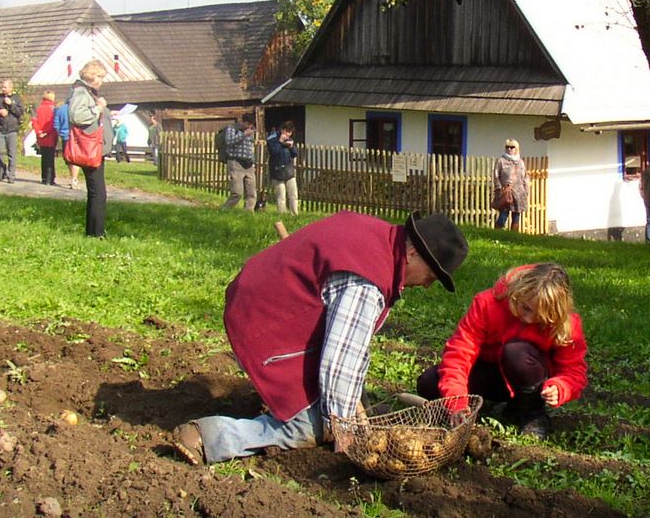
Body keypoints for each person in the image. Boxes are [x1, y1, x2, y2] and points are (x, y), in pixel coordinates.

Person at [171, 210, 469, 465]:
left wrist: (355, 405)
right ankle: (209, 437)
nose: (428, 286)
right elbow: (339, 361)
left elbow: (351, 343)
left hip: (262, 303)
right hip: (263, 326)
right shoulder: (368, 282)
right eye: (431, 276)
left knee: (340, 400)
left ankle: (294, 401)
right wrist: (346, 433)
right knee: (308, 426)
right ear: (413, 253)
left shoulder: (378, 236)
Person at [416, 263, 588, 439]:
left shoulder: (567, 325)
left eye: (540, 317)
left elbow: (574, 371)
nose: (529, 319)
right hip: (489, 373)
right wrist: (457, 401)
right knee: (429, 383)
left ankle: (532, 413)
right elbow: (459, 353)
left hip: (530, 378)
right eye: (526, 308)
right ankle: (478, 406)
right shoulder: (487, 304)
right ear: (518, 292)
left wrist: (561, 387)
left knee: (516, 352)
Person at [69, 60, 113, 238]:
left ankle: (94, 231)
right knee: (98, 193)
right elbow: (77, 115)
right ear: (93, 75)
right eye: (101, 77)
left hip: (95, 147)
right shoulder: (81, 92)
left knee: (97, 192)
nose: (102, 81)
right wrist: (99, 108)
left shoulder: (87, 92)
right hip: (90, 148)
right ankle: (96, 233)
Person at [222, 112, 257, 211]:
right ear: (243, 121)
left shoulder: (251, 131)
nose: (249, 127)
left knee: (251, 192)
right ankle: (225, 210)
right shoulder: (232, 128)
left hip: (249, 164)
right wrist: (243, 134)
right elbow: (229, 141)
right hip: (235, 162)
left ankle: (248, 212)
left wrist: (254, 162)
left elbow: (250, 148)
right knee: (237, 192)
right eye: (248, 124)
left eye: (251, 125)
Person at [0, 78, 23, 183]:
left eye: (5, 87)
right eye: (2, 87)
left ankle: (11, 175)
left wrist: (11, 104)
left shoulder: (17, 98)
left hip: (12, 129)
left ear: (10, 88)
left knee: (12, 153)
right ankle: (2, 169)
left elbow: (19, 112)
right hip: (0, 128)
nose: (3, 89)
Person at [493, 138, 529, 231]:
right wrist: (499, 188)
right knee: (503, 215)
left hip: (519, 193)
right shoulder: (501, 161)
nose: (509, 149)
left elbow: (525, 177)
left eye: (512, 147)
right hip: (506, 192)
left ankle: (513, 236)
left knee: (516, 216)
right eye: (507, 147)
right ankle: (496, 234)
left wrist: (526, 190)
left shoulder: (521, 162)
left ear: (516, 148)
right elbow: (496, 175)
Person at [267, 121, 299, 215]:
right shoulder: (272, 139)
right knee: (281, 195)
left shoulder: (289, 139)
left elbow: (295, 154)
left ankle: (294, 214)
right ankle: (282, 214)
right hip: (277, 170)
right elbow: (274, 152)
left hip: (288, 170)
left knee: (293, 194)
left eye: (290, 132)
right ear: (282, 130)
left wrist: (292, 147)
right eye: (286, 131)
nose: (288, 134)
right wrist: (280, 141)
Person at [53, 92, 80, 189]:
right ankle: (74, 178)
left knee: (68, 159)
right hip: (77, 137)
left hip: (65, 137)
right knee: (75, 159)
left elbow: (56, 123)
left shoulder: (60, 109)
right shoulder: (78, 108)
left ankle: (73, 178)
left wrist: (60, 132)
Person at [32, 90, 58, 186]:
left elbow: (34, 121)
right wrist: (46, 132)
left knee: (44, 156)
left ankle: (43, 177)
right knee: (50, 158)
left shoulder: (38, 108)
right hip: (50, 135)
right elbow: (53, 123)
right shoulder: (53, 108)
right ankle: (50, 178)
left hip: (40, 136)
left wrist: (39, 131)